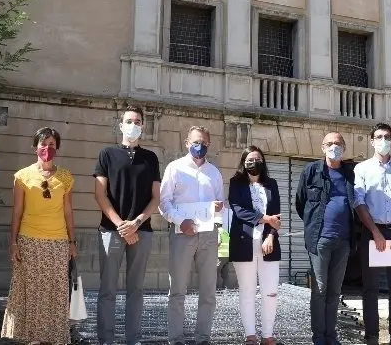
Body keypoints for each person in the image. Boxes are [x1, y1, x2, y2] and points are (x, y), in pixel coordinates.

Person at [94, 106, 161, 345]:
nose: (134, 124)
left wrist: (137, 222)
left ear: (142, 126)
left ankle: (133, 339)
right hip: (111, 231)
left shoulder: (150, 158)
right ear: (121, 125)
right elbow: (100, 194)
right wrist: (121, 224)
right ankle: (106, 340)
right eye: (129, 120)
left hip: (141, 231)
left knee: (136, 290)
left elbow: (156, 197)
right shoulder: (107, 154)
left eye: (138, 121)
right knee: (107, 289)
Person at [1, 127, 75, 344]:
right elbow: (16, 211)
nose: (47, 148)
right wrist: (13, 242)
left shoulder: (65, 177)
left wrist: (72, 242)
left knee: (55, 293)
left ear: (57, 148)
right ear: (35, 147)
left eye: (51, 144)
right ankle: (31, 339)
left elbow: (68, 211)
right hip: (28, 240)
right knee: (30, 291)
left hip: (58, 243)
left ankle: (52, 339)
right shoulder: (22, 176)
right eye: (43, 144)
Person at [160, 126, 225, 345]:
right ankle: (176, 339)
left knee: (208, 291)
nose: (201, 146)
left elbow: (221, 207)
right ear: (187, 143)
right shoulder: (174, 168)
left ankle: (203, 338)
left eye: (205, 143)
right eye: (197, 142)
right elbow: (164, 202)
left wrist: (218, 209)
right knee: (177, 289)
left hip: (208, 235)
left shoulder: (214, 172)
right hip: (182, 233)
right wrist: (180, 221)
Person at [353, 123, 391, 345]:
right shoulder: (361, 169)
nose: (383, 140)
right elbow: (359, 203)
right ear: (371, 141)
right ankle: (372, 336)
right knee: (370, 288)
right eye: (378, 137)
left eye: (387, 137)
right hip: (372, 233)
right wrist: (375, 232)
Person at [295, 132, 358, 345]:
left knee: (335, 292)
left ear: (344, 147)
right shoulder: (311, 171)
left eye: (338, 143)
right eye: (330, 144)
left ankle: (332, 336)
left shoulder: (351, 173)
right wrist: (313, 225)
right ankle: (318, 337)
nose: (334, 147)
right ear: (322, 147)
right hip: (319, 240)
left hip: (344, 241)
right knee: (320, 290)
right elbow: (300, 203)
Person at [229, 146, 282, 345]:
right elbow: (239, 211)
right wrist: (264, 218)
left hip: (268, 244)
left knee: (270, 291)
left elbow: (277, 216)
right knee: (247, 291)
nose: (254, 162)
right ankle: (250, 335)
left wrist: (271, 236)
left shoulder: (272, 184)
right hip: (244, 243)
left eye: (258, 158)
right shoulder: (236, 183)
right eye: (250, 159)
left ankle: (268, 335)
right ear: (244, 162)